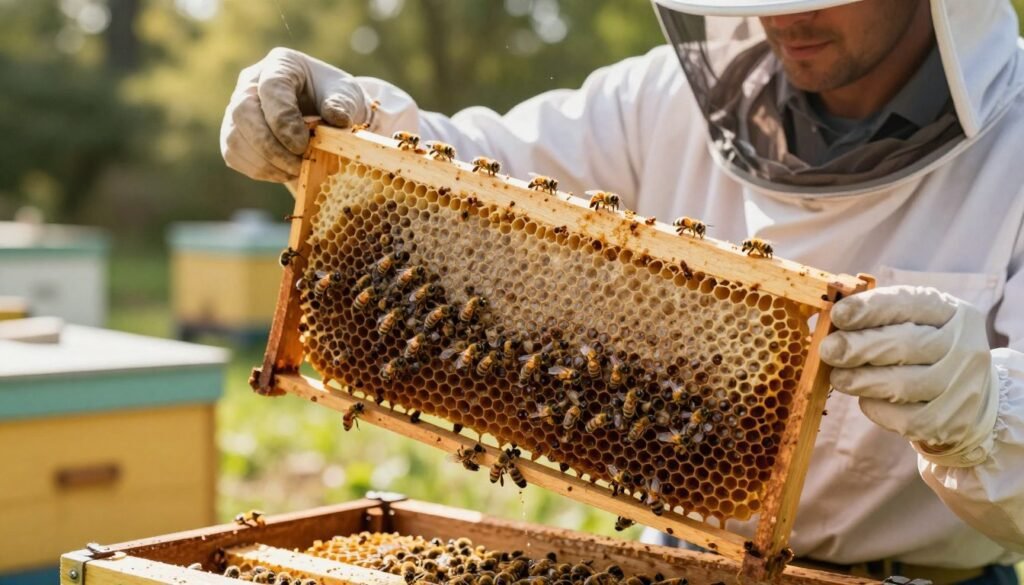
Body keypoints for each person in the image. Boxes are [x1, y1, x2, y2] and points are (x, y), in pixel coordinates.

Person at [220, 0, 1024, 582]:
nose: (785, 18)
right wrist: (352, 118)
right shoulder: (661, 101)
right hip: (670, 565)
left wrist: (987, 407)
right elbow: (477, 173)